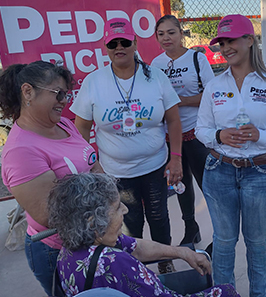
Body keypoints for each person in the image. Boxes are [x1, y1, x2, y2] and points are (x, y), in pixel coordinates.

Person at [71, 18, 183, 274]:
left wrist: (175, 157)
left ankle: (165, 262)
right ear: (106, 46)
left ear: (135, 42)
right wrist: (89, 165)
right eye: (113, 42)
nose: (119, 46)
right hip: (116, 172)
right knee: (128, 222)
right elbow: (81, 129)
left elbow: (174, 120)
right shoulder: (94, 81)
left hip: (154, 166)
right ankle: (137, 268)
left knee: (159, 217)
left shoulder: (155, 76)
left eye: (124, 41)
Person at [196, 14, 266, 297]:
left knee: (257, 243)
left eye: (232, 41)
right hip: (219, 170)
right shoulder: (215, 85)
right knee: (224, 243)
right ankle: (223, 293)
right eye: (222, 43)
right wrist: (219, 136)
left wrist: (259, 136)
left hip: (260, 173)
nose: (226, 48)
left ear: (250, 40)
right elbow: (202, 128)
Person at [0, 61, 97, 295]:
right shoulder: (21, 151)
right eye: (58, 94)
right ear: (28, 92)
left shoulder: (63, 125)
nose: (64, 101)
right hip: (57, 250)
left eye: (66, 94)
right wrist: (107, 212)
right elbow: (51, 215)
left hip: (89, 235)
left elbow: (91, 163)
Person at [48, 173, 240, 297]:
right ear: (92, 221)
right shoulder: (114, 262)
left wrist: (183, 253)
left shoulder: (69, 251)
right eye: (116, 208)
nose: (124, 210)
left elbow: (136, 247)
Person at [151, 15, 215, 245]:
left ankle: (220, 234)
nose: (166, 38)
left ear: (181, 33)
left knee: (209, 187)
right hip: (169, 137)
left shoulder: (197, 58)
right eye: (161, 34)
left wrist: (182, 101)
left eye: (171, 32)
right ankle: (191, 229)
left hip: (197, 133)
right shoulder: (156, 65)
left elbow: (212, 95)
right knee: (181, 185)